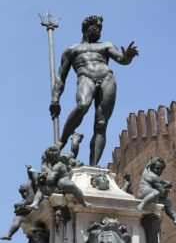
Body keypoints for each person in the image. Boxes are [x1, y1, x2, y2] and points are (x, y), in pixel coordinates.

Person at [50, 15, 138, 166]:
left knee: (101, 123)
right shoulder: (71, 50)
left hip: (107, 78)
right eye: (96, 27)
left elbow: (121, 59)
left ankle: (94, 166)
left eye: (100, 28)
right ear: (86, 28)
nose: (99, 31)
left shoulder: (106, 45)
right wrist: (55, 99)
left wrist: (128, 57)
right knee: (82, 105)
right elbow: (61, 78)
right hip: (85, 77)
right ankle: (61, 142)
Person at [27, 145, 90, 210]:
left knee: (42, 189)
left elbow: (51, 179)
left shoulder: (57, 166)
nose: (47, 160)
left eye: (48, 158)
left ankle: (84, 201)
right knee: (41, 189)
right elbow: (47, 174)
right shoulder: (52, 165)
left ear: (52, 158)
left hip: (63, 187)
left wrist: (42, 178)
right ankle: (35, 203)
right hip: (58, 186)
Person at [137, 157, 176, 226]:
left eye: (161, 169)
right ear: (152, 167)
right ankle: (142, 204)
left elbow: (147, 165)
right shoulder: (154, 177)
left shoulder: (146, 171)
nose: (159, 171)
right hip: (144, 194)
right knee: (157, 192)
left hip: (148, 196)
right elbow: (162, 192)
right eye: (157, 168)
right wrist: (167, 189)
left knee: (167, 202)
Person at [0, 166, 36, 240]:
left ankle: (9, 234)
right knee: (17, 218)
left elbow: (30, 200)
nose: (22, 195)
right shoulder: (32, 183)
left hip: (34, 206)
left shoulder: (30, 184)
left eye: (23, 193)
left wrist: (18, 205)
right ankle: (9, 234)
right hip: (31, 206)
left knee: (18, 218)